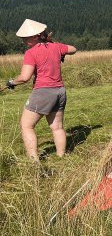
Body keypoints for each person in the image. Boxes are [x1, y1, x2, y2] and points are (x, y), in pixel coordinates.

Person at [5, 19, 77, 162]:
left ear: (36, 36)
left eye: (26, 37)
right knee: (57, 127)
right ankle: (61, 157)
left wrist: (12, 82)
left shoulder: (31, 53)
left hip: (43, 92)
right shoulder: (56, 46)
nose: (24, 40)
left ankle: (34, 161)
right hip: (60, 91)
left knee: (26, 126)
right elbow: (73, 49)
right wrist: (61, 51)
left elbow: (25, 77)